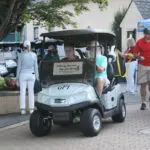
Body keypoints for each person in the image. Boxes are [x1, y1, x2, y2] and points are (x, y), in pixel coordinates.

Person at [16, 40, 39, 115]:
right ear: (30, 46)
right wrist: (37, 77)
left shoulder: (20, 55)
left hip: (22, 75)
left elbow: (18, 67)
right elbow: (36, 67)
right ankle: (31, 109)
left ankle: (23, 109)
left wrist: (17, 78)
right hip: (32, 75)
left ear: (23, 46)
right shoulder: (34, 55)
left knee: (22, 92)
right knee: (31, 92)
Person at [133, 28, 150, 110]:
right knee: (143, 85)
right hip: (142, 66)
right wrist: (139, 57)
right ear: (144, 34)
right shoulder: (139, 42)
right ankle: (143, 102)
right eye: (148, 34)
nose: (149, 35)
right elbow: (135, 54)